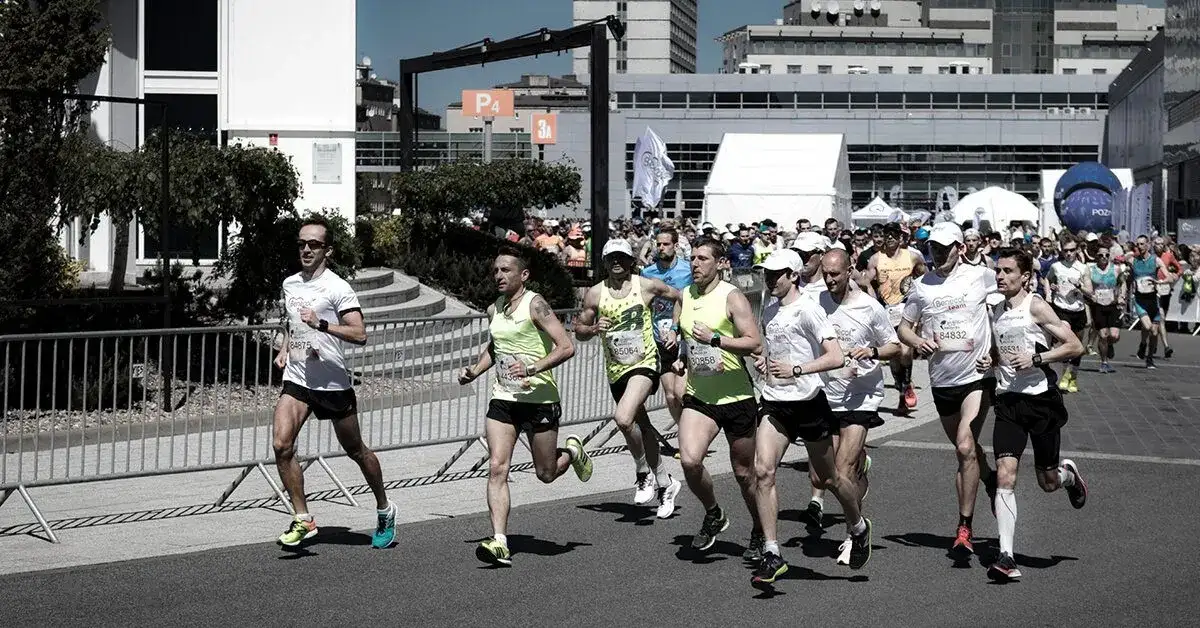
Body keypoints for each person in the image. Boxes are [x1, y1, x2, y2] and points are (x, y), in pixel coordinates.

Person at [459, 247, 595, 566]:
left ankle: (572, 452)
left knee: (545, 473)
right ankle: (500, 541)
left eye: (506, 270)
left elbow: (566, 347)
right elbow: (496, 346)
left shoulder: (536, 304)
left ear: (523, 275)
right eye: (495, 271)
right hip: (504, 398)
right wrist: (474, 371)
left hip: (539, 399)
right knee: (497, 467)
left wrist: (532, 368)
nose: (498, 275)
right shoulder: (495, 308)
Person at [748, 249, 871, 587]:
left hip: (809, 402)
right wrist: (766, 361)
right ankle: (772, 552)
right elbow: (775, 350)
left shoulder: (810, 310)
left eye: (776, 274)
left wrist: (797, 369)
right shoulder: (770, 309)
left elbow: (835, 356)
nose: (770, 280)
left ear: (792, 275)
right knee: (763, 470)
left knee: (829, 479)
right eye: (766, 274)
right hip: (775, 402)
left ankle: (858, 526)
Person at [273, 216, 397, 549]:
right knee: (281, 446)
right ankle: (303, 518)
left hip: (331, 383)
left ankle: (385, 508)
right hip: (298, 377)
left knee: (356, 450)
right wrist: (286, 348)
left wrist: (323, 324)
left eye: (313, 244)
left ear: (328, 250)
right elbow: (293, 324)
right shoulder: (290, 284)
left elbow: (360, 334)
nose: (306, 249)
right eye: (301, 243)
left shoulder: (338, 287)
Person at [980, 247, 1089, 581]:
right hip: (1009, 401)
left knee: (1048, 482)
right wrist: (991, 361)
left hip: (1041, 401)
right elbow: (1000, 352)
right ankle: (1007, 556)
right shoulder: (995, 310)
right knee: (1005, 475)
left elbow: (1075, 346)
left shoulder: (1037, 306)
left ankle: (1068, 475)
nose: (1000, 276)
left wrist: (1038, 359)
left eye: (1008, 271)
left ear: (1025, 277)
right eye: (998, 271)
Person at [897, 222, 997, 558]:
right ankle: (991, 481)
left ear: (961, 247)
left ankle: (964, 527)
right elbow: (904, 328)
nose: (937, 253)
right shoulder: (922, 287)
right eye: (933, 248)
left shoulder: (982, 276)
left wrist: (998, 354)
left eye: (944, 247)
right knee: (966, 450)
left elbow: (1004, 307)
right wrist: (919, 341)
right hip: (943, 381)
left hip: (977, 376)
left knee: (966, 446)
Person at [575, 239, 684, 517]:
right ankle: (665, 482)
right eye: (612, 258)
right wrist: (594, 327)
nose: (617, 262)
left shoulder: (645, 285)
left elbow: (682, 297)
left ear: (631, 261)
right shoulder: (595, 294)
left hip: (645, 363)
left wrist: (674, 329)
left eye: (622, 257)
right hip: (616, 370)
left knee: (623, 418)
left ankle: (642, 472)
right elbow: (579, 329)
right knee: (642, 425)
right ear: (604, 261)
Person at [670, 239, 763, 553]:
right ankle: (713, 513)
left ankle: (760, 527)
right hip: (700, 396)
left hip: (736, 397)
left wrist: (717, 340)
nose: (696, 264)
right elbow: (686, 334)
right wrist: (682, 352)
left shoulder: (732, 297)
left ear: (721, 263)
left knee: (744, 474)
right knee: (690, 460)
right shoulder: (685, 295)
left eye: (703, 259)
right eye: (693, 258)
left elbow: (754, 343)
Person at [815, 248, 902, 565]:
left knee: (841, 472)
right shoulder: (818, 303)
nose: (829, 279)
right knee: (825, 477)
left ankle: (855, 533)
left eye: (835, 273)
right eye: (825, 273)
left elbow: (895, 346)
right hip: (827, 395)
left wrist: (873, 352)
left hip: (861, 396)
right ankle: (861, 467)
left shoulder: (870, 308)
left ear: (850, 270)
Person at [641, 228, 694, 452]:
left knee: (682, 393)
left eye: (665, 244)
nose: (661, 248)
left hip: (682, 336)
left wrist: (677, 327)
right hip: (658, 337)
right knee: (671, 395)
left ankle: (692, 435)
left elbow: (690, 299)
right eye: (658, 244)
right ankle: (687, 438)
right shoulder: (647, 272)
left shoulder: (687, 269)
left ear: (675, 245)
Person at [866, 222, 926, 413]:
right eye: (887, 234)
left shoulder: (913, 257)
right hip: (887, 310)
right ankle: (901, 393)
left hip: (907, 308)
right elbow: (867, 283)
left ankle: (907, 384)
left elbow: (925, 277)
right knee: (893, 355)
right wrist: (872, 303)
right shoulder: (876, 259)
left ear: (901, 237)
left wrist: (920, 298)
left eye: (894, 234)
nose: (890, 237)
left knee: (906, 351)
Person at [1043, 236, 1088, 393]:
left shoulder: (1083, 268)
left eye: (1072, 250)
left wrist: (1080, 286)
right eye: (1066, 250)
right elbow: (1047, 279)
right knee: (1065, 340)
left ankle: (1072, 376)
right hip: (1062, 308)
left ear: (1077, 250)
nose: (1069, 253)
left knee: (1078, 348)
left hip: (1078, 310)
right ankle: (1063, 375)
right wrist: (1050, 292)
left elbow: (1090, 291)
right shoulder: (1056, 267)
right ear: (1061, 250)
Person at [1129, 235, 1173, 369]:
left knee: (1154, 332)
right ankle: (1143, 344)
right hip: (1140, 300)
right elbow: (1125, 271)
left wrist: (1159, 282)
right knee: (1147, 327)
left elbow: (1170, 278)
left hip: (1153, 299)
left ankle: (1149, 358)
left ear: (1148, 244)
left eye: (1142, 244)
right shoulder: (1133, 261)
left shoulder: (1156, 260)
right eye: (1138, 244)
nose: (1140, 247)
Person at [1082, 246, 1125, 374]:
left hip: (1112, 304)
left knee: (1114, 336)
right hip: (1098, 305)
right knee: (1103, 335)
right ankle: (1104, 362)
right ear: (1097, 256)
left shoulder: (1116, 269)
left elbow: (1122, 283)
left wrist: (1122, 296)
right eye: (1101, 255)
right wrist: (1091, 295)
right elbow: (1088, 286)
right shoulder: (1091, 269)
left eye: (1106, 255)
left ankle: (1109, 345)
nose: (1104, 258)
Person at [1155, 236, 1183, 358]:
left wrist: (1175, 276)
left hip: (1165, 289)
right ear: (1152, 245)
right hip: (1154, 289)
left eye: (1161, 244)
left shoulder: (1168, 256)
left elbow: (1180, 269)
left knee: (1160, 319)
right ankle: (1166, 347)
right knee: (1160, 317)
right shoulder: (1150, 258)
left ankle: (1152, 343)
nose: (1159, 246)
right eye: (1156, 244)